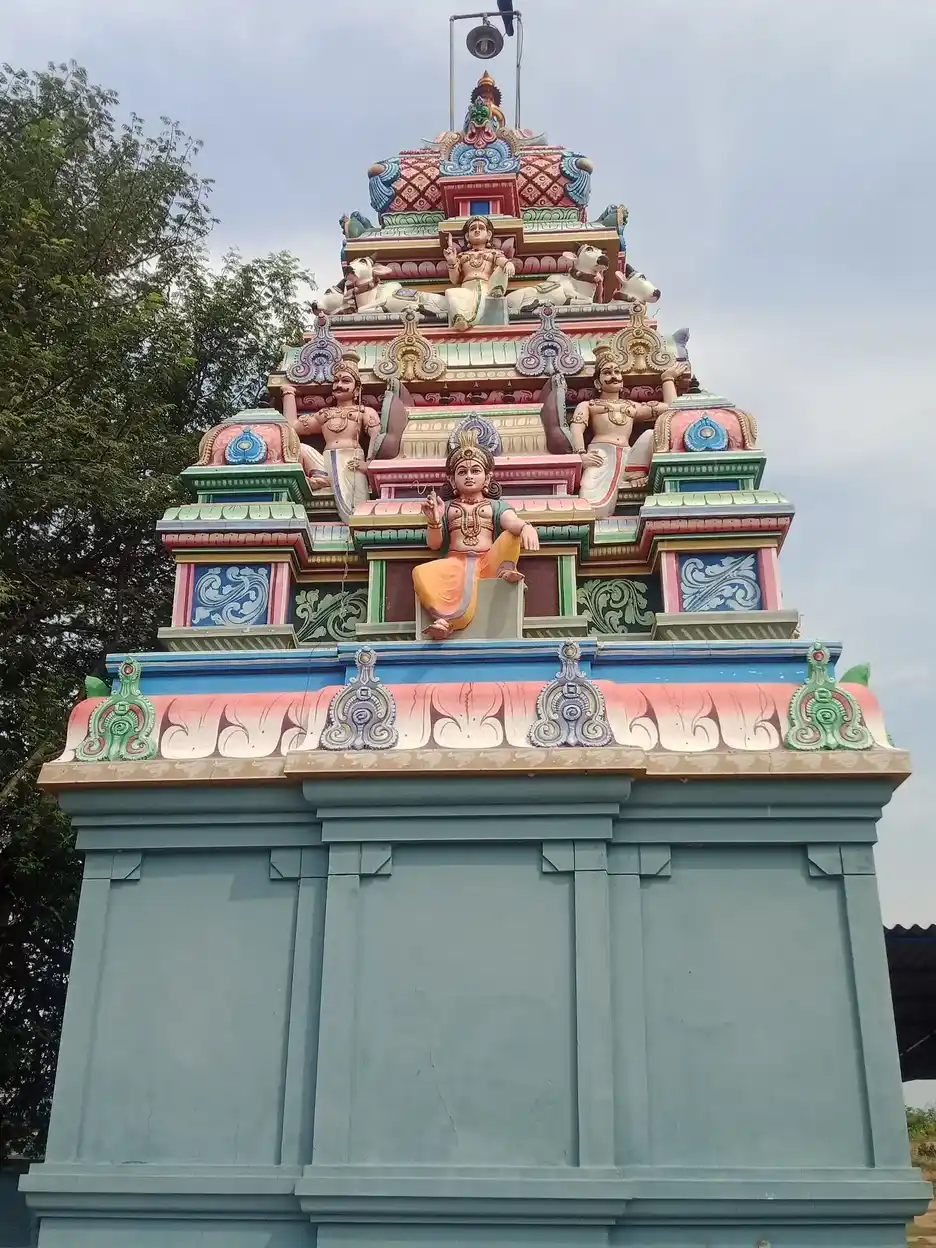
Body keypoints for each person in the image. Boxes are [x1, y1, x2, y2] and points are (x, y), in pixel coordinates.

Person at [413, 431, 539, 641]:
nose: (469, 476)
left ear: (487, 477)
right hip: (455, 562)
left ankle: (505, 569)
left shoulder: (496, 506)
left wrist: (526, 527)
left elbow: (511, 522)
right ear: (452, 480)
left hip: (489, 561)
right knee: (420, 572)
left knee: (512, 534)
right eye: (462, 472)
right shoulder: (446, 508)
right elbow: (434, 544)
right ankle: (445, 621)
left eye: (475, 470)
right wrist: (434, 520)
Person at [571, 347, 682, 517]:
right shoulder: (589, 405)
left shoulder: (631, 406)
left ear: (622, 382)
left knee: (651, 434)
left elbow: (672, 410)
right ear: (598, 383)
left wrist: (667, 379)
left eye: (617, 372)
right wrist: (580, 455)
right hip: (600, 455)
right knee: (589, 504)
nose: (614, 376)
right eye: (607, 373)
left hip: (628, 455)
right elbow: (576, 428)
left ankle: (635, 472)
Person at [286, 351, 380, 522]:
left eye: (346, 381)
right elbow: (291, 428)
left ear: (357, 389)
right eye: (336, 381)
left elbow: (376, 436)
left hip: (352, 460)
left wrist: (368, 463)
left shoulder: (363, 411)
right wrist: (288, 393)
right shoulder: (324, 414)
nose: (339, 385)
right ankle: (321, 478)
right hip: (327, 458)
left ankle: (323, 482)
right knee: (301, 448)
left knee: (357, 507)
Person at [442, 215, 515, 330]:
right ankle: (460, 318)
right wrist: (451, 262)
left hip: (488, 286)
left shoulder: (493, 253)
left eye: (481, 228)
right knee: (450, 292)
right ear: (467, 236)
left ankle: (497, 289)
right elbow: (455, 280)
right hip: (467, 288)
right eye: (472, 229)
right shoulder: (462, 256)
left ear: (489, 235)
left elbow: (501, 261)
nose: (477, 230)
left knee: (501, 268)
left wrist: (507, 263)